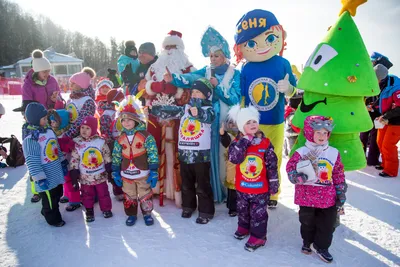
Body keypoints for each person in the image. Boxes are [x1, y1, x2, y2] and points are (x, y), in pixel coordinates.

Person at [164, 26, 241, 203]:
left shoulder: (234, 74)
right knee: (209, 154)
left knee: (224, 155)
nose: (213, 59)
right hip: (206, 121)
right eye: (211, 56)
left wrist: (218, 87)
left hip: (225, 121)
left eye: (216, 56)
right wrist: (173, 79)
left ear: (225, 55)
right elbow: (190, 78)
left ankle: (227, 190)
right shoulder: (206, 71)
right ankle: (212, 191)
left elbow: (235, 99)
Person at [233, 10, 297, 208]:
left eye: (270, 38)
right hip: (253, 123)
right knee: (252, 157)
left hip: (275, 119)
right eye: (251, 43)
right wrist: (239, 119)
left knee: (274, 157)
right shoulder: (246, 67)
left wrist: (289, 89)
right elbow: (243, 96)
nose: (261, 47)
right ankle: (252, 187)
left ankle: (273, 193)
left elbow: (294, 93)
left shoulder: (283, 63)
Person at [139, 30, 195, 207]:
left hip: (179, 119)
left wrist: (177, 90)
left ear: (179, 49)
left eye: (173, 47)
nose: (170, 51)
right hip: (156, 117)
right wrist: (153, 86)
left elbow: (195, 89)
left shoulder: (188, 67)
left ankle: (178, 189)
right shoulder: (154, 67)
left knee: (178, 153)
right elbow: (142, 87)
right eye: (167, 47)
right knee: (155, 150)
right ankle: (156, 188)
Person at [151, 78, 215, 224]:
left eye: (199, 92)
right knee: (186, 182)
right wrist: (153, 109)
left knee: (203, 184)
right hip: (185, 153)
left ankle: (206, 211)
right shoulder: (185, 108)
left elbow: (208, 118)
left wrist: (197, 112)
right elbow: (169, 111)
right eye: (193, 92)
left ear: (206, 95)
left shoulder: (208, 109)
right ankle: (188, 206)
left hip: (200, 155)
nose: (195, 95)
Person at [286, 115, 347, 263]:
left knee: (327, 224)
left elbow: (338, 172)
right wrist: (296, 177)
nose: (322, 136)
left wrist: (340, 191)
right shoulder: (301, 152)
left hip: (327, 197)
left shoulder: (333, 153)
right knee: (307, 221)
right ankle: (307, 242)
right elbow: (290, 168)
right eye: (318, 132)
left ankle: (322, 246)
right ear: (309, 132)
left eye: (325, 133)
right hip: (307, 196)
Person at [228, 104, 278, 252]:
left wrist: (274, 183)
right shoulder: (237, 143)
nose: (252, 124)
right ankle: (243, 228)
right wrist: (244, 141)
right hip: (243, 187)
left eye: (254, 121)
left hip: (260, 189)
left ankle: (258, 237)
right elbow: (234, 159)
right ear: (241, 126)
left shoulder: (265, 143)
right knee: (242, 210)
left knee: (258, 214)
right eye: (248, 122)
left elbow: (272, 165)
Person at [112, 96, 159, 226]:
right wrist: (115, 171)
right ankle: (131, 214)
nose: (126, 123)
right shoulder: (120, 138)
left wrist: (154, 170)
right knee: (129, 194)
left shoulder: (146, 136)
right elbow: (116, 155)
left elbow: (153, 153)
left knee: (145, 192)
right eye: (124, 120)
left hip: (143, 172)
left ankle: (147, 213)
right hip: (126, 173)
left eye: (129, 119)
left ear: (136, 119)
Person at [22, 102, 67, 227]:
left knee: (58, 193)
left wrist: (63, 162)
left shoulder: (49, 131)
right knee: (50, 199)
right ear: (35, 120)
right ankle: (53, 219)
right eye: (43, 118)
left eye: (45, 117)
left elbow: (56, 147)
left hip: (56, 171)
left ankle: (47, 211)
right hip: (45, 176)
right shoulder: (31, 138)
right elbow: (32, 160)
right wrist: (39, 178)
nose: (46, 120)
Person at [70, 116, 113, 222]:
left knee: (103, 193)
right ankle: (89, 210)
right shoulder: (77, 143)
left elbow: (107, 155)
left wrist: (109, 169)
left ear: (93, 129)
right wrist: (74, 174)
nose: (84, 130)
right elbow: (74, 159)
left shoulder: (100, 142)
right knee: (86, 195)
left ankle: (106, 209)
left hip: (100, 175)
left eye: (87, 128)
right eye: (82, 127)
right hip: (85, 177)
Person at [48, 109, 81, 211]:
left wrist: (65, 147)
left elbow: (71, 147)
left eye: (55, 122)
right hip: (61, 161)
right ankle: (67, 194)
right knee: (65, 179)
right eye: (51, 122)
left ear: (62, 122)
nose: (52, 124)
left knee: (70, 180)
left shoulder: (67, 134)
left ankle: (75, 200)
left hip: (70, 161)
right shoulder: (54, 133)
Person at [360, 63, 389, 166]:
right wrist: (366, 106)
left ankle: (371, 160)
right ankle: (362, 158)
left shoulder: (384, 83)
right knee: (364, 135)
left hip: (377, 114)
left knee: (374, 137)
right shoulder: (371, 81)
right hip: (367, 112)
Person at [99, 88, 125, 200]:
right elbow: (105, 131)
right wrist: (111, 141)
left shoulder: (122, 111)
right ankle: (118, 189)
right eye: (122, 99)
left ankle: (126, 187)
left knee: (124, 164)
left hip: (124, 142)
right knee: (115, 166)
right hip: (113, 144)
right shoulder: (107, 114)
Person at [375, 64, 400, 177]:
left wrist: (385, 116)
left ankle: (391, 170)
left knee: (388, 145)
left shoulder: (396, 87)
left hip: (396, 121)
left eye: (376, 79)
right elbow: (381, 101)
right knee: (380, 142)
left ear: (381, 77)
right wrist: (374, 107)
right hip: (385, 119)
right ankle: (385, 164)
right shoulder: (383, 84)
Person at [64, 67, 97, 139]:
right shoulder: (71, 98)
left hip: (80, 137)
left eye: (73, 83)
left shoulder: (87, 101)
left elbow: (82, 121)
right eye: (70, 83)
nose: (71, 85)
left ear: (81, 85)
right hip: (69, 133)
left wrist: (67, 135)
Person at [219, 117, 239, 217]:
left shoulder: (245, 134)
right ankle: (233, 208)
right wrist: (222, 133)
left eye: (235, 122)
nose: (233, 125)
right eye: (231, 123)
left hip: (244, 165)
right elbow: (225, 141)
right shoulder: (230, 136)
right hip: (232, 166)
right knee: (232, 187)